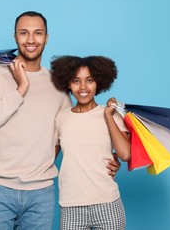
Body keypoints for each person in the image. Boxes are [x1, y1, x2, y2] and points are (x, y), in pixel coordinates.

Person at [0, 11, 121, 229]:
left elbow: (73, 133)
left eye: (37, 33)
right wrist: (20, 89)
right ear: (15, 37)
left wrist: (111, 159)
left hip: (41, 195)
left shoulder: (57, 85)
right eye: (24, 33)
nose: (31, 40)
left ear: (46, 37)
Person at [50, 55, 131, 230]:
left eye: (90, 80)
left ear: (99, 83)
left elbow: (125, 154)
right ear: (68, 84)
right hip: (71, 206)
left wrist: (108, 116)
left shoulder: (110, 113)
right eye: (76, 81)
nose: (83, 87)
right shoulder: (61, 118)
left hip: (108, 203)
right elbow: (47, 159)